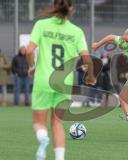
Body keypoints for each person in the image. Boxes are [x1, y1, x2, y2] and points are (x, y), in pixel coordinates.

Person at [26, 0, 96, 160]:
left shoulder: (41, 25)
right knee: (57, 123)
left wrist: (31, 67)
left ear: (53, 6)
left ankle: (43, 139)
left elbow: (29, 50)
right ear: (71, 8)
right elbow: (87, 59)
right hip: (64, 84)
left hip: (43, 81)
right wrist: (91, 76)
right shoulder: (76, 31)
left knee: (39, 123)